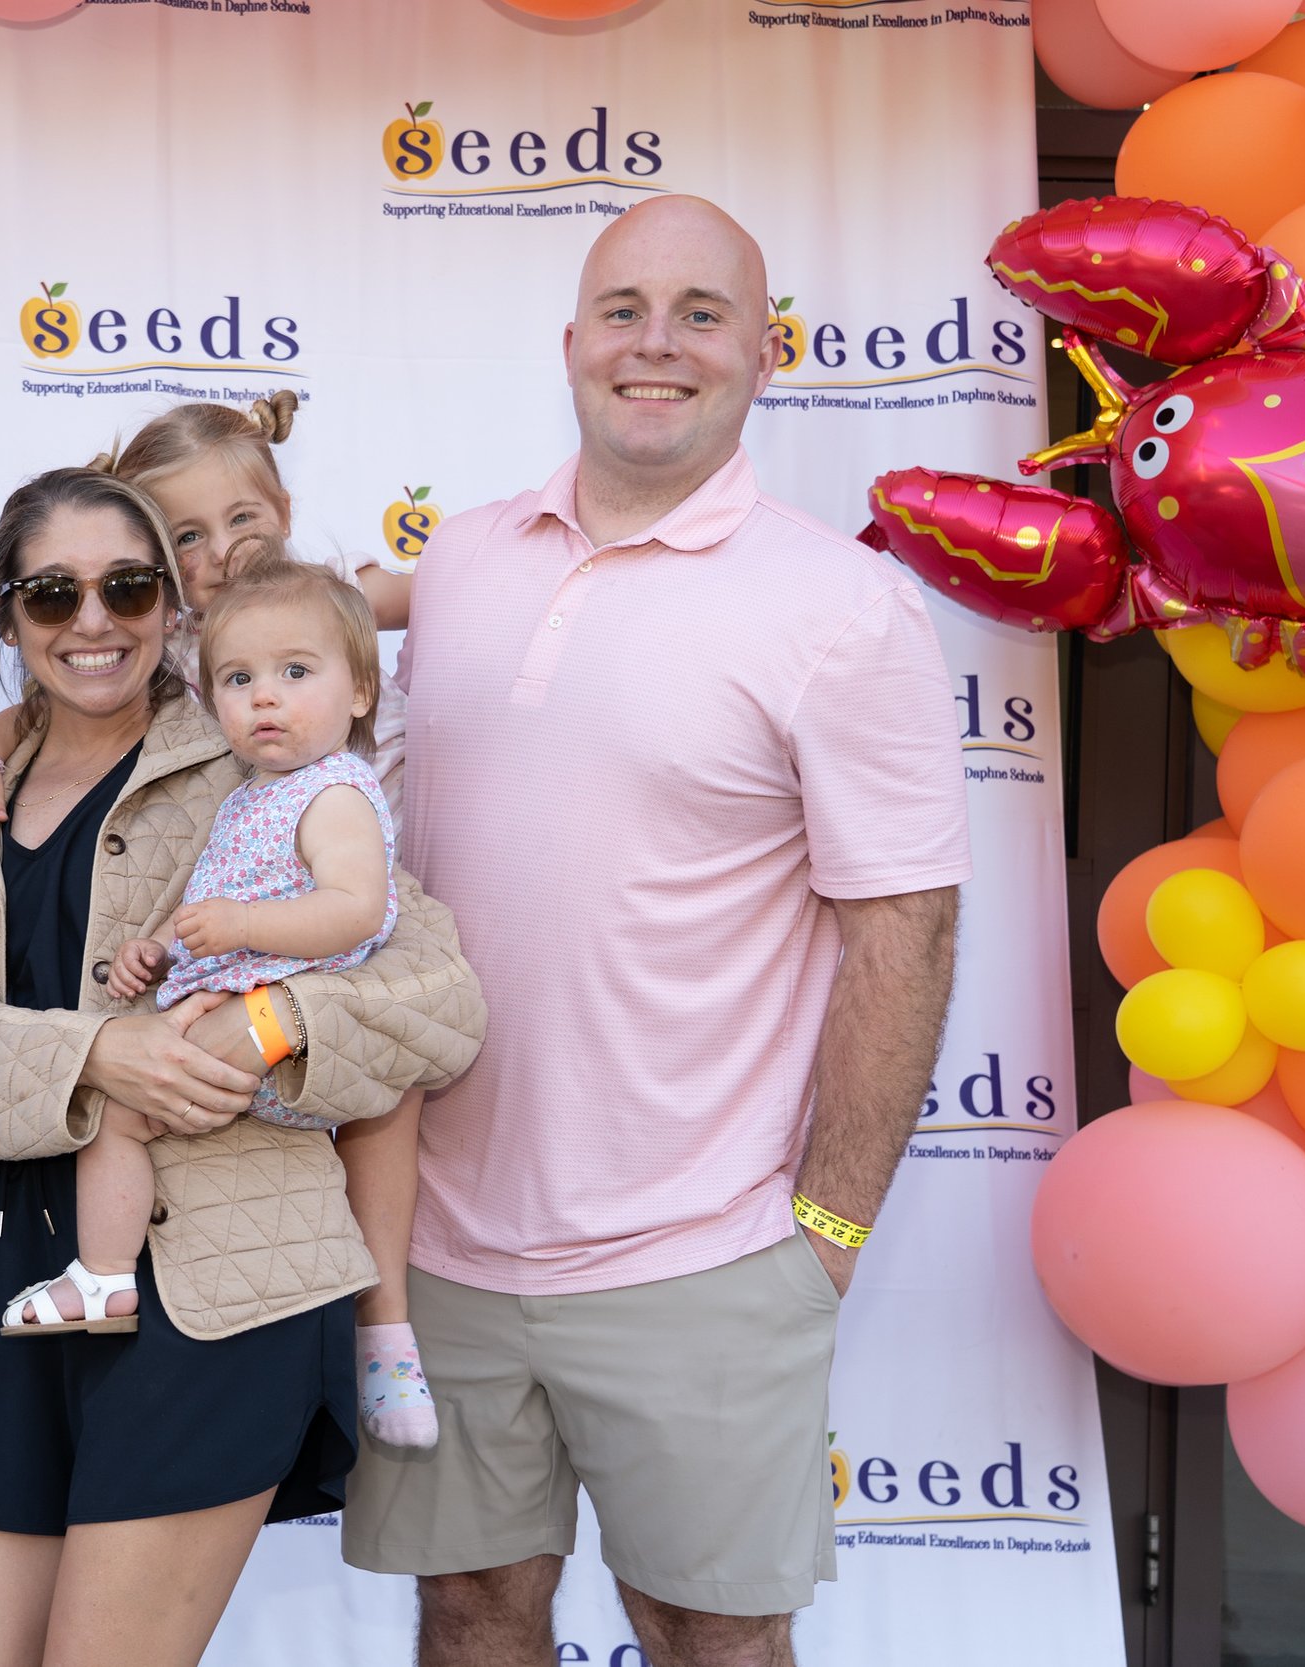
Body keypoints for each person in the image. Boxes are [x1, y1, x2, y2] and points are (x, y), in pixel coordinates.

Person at [341, 194, 968, 1667]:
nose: (657, 344)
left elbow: (907, 932)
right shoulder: (465, 567)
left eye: (703, 312)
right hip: (438, 1248)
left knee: (709, 1632)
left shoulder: (844, 607)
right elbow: (196, 634)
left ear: (768, 351)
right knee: (471, 1613)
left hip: (702, 1250)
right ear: (570, 341)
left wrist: (823, 1230)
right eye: (623, 308)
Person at [0, 467, 486, 1667]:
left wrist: (266, 1028)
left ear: (173, 607)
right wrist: (103, 1050)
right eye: (52, 594)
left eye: (126, 585)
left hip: (212, 1288)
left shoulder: (262, 756)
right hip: (6, 1288)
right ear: (7, 616)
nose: (91, 620)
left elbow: (435, 1001)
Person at [0, 399, 446, 1447]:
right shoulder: (159, 654)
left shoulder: (324, 599)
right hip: (249, 921)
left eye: (242, 521)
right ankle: (114, 1271)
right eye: (185, 539)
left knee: (388, 1098)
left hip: (344, 873)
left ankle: (383, 1323)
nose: (219, 556)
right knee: (156, 1101)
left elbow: (460, 594)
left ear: (285, 508)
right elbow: (35, 705)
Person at [5, 558, 394, 1336]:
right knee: (121, 1109)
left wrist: (243, 934)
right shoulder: (253, 794)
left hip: (279, 1026)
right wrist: (158, 946)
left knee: (127, 1104)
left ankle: (105, 1278)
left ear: (358, 690)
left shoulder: (334, 791)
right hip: (236, 1005)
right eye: (238, 678)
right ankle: (107, 1277)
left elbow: (356, 909)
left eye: (295, 671)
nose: (266, 697)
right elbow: (211, 896)